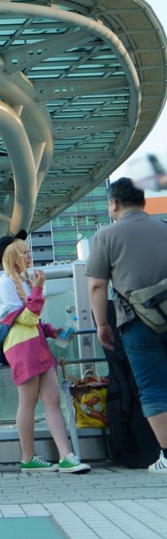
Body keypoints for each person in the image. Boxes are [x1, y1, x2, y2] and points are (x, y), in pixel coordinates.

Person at [86, 177, 167, 473]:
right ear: (143, 202)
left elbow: (96, 286)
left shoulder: (106, 236)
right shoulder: (163, 228)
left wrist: (101, 324)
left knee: (153, 388)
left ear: (115, 203)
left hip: (136, 323)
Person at [0, 233, 90, 474]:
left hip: (36, 345)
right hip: (23, 349)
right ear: (12, 255)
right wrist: (39, 288)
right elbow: (26, 318)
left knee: (52, 399)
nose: (29, 254)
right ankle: (28, 457)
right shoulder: (5, 283)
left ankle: (66, 456)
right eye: (23, 251)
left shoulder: (22, 281)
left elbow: (32, 320)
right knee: (29, 401)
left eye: (28, 250)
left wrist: (53, 331)